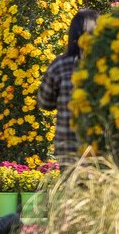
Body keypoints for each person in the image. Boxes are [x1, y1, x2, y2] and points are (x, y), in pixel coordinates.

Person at [37, 8, 99, 162]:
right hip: (101, 146)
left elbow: (45, 102)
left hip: (68, 147)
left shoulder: (60, 65)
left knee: (71, 185)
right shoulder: (108, 65)